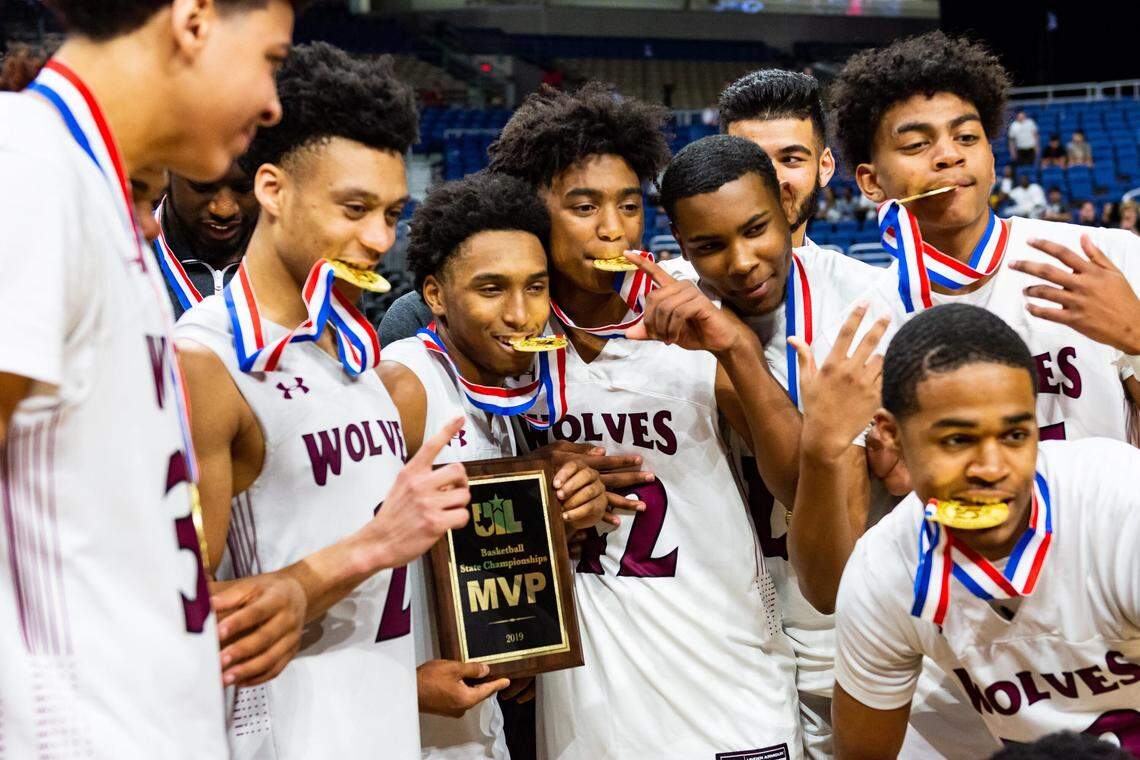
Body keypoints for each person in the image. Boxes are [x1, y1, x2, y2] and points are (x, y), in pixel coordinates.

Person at [813, 29, 1140, 755]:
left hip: (1110, 583)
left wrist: (1139, 336)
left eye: (966, 135)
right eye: (918, 141)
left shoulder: (1102, 258)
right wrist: (827, 446)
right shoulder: (861, 323)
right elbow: (834, 578)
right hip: (961, 629)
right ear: (870, 181)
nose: (948, 155)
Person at [0, 1, 297, 756]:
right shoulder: (28, 166)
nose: (272, 102)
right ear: (194, 20)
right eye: (270, 58)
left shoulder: (97, 195)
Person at [487, 83, 804, 759]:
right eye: (584, 206)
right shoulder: (500, 336)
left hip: (723, 671)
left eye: (629, 206)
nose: (614, 228)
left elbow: (802, 483)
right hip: (591, 693)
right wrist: (527, 489)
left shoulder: (690, 309)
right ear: (531, 213)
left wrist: (738, 349)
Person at [175, 43, 465, 759]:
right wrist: (375, 544)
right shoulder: (204, 361)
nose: (380, 239)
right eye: (355, 209)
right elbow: (178, 618)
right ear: (272, 190)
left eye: (393, 212)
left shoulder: (355, 349)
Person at [380, 172, 632, 759]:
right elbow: (335, 570)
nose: (521, 315)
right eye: (491, 289)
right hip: (397, 728)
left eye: (536, 287)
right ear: (436, 295)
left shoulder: (510, 393)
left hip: (474, 728)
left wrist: (555, 508)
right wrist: (404, 688)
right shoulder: (407, 384)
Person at [657, 133, 887, 760]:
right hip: (731, 643)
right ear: (680, 247)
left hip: (851, 636)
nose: (740, 261)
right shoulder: (663, 309)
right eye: (709, 245)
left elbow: (842, 516)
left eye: (756, 229)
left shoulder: (868, 305)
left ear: (789, 209)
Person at [828, 303, 1140, 758]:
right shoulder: (883, 567)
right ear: (891, 435)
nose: (992, 469)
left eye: (1015, 436)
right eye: (957, 440)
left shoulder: (1121, 504)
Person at [717, 68, 836, 249]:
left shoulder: (862, 278)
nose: (773, 180)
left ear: (825, 167)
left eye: (790, 159)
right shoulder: (671, 276)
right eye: (749, 160)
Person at [154, 162, 259, 317]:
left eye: (244, 187)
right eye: (202, 186)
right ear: (166, 172)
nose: (224, 211)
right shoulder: (122, 253)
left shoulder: (298, 265)